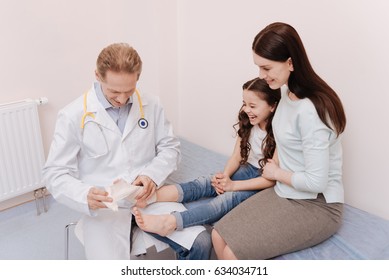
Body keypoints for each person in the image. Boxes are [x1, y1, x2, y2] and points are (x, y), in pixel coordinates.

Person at [42, 43, 211, 260]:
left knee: (201, 242)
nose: (122, 99)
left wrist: (151, 175)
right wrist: (85, 195)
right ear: (97, 76)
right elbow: (54, 173)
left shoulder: (152, 104)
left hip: (148, 198)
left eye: (129, 90)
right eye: (114, 91)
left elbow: (170, 148)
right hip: (106, 208)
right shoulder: (73, 115)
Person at [211, 22, 347, 260]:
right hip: (287, 191)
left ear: (291, 63)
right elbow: (283, 142)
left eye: (266, 68)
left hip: (319, 205)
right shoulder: (285, 95)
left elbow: (316, 182)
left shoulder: (312, 110)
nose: (262, 76)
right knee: (218, 235)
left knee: (233, 254)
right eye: (258, 68)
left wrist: (275, 173)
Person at [132, 77, 280, 237]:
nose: (246, 110)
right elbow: (236, 157)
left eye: (253, 106)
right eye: (244, 104)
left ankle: (170, 222)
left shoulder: (280, 133)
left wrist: (232, 186)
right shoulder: (249, 124)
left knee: (224, 201)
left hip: (264, 183)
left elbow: (270, 180)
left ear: (272, 106)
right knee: (205, 182)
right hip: (248, 169)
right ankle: (148, 197)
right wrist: (225, 177)